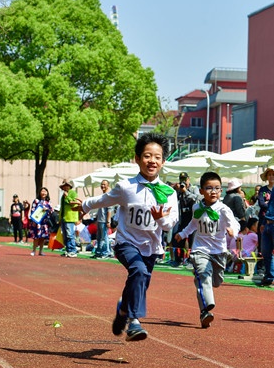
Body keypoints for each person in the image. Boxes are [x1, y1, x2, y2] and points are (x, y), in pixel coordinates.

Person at [72, 133, 178, 341]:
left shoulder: (169, 193)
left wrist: (159, 219)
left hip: (151, 247)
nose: (152, 161)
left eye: (157, 157)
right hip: (126, 243)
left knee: (140, 281)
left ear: (163, 162)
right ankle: (134, 322)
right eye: (147, 156)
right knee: (137, 271)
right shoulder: (126, 187)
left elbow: (170, 223)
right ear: (137, 159)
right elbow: (104, 200)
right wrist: (85, 206)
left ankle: (123, 310)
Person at [174, 171, 239, 328]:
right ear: (201, 191)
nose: (213, 191)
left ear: (221, 191)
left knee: (215, 282)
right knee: (203, 276)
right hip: (200, 250)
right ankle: (206, 309)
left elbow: (235, 224)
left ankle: (205, 307)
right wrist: (182, 234)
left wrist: (233, 232)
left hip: (219, 252)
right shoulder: (197, 206)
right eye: (209, 188)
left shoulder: (223, 209)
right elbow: (193, 224)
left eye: (217, 188)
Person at [91, 180, 114, 259]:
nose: (103, 186)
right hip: (100, 220)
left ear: (108, 185)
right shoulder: (103, 196)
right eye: (102, 184)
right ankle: (99, 252)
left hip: (104, 220)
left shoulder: (108, 196)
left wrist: (108, 221)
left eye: (104, 184)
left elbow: (109, 210)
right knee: (99, 237)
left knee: (104, 237)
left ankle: (106, 252)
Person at [28, 187, 53, 256]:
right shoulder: (36, 201)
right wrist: (33, 220)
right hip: (37, 222)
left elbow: (51, 211)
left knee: (43, 237)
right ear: (39, 193)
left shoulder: (48, 202)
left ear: (47, 193)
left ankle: (41, 251)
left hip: (44, 222)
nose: (43, 193)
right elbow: (33, 210)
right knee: (36, 237)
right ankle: (33, 250)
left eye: (45, 191)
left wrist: (47, 209)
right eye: (42, 191)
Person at [59, 178, 79, 258]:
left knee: (70, 235)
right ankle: (68, 250)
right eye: (64, 186)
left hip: (70, 217)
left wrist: (67, 197)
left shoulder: (73, 193)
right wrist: (60, 218)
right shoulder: (63, 195)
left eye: (66, 185)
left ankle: (73, 250)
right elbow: (62, 207)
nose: (65, 187)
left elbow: (74, 203)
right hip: (64, 217)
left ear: (69, 186)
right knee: (65, 235)